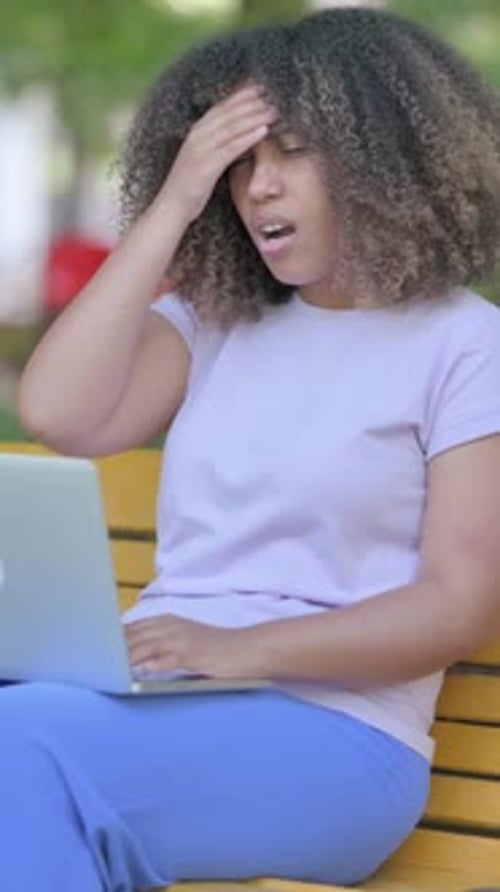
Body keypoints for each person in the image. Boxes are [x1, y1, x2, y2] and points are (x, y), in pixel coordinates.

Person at [7, 6, 500, 891]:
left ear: (382, 154)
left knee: (24, 747)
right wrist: (174, 202)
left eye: (292, 151)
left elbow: (457, 606)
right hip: (144, 700)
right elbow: (61, 415)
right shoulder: (215, 322)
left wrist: (243, 648)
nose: (257, 187)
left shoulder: (467, 346)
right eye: (238, 164)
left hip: (335, 736)